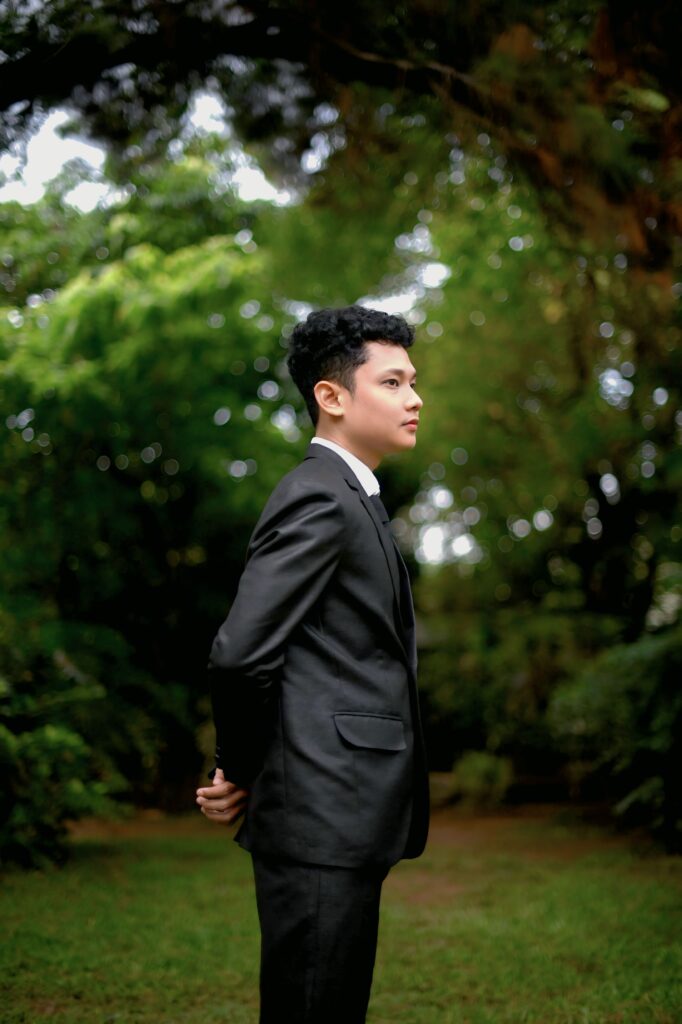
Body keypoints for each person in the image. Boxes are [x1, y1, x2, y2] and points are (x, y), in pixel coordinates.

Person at [195, 304, 430, 1024]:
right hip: (321, 808)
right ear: (332, 396)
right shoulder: (319, 496)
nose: (415, 398)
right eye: (392, 382)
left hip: (343, 809)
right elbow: (242, 652)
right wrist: (239, 768)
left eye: (413, 381)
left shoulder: (354, 497)